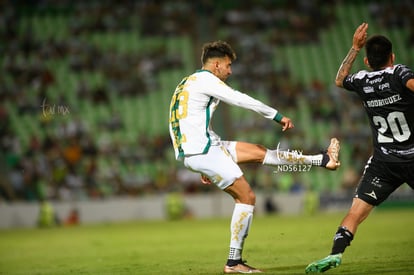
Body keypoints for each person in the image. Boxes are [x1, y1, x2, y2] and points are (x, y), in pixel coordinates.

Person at [168, 40, 340, 274]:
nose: (230, 71)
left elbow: (179, 122)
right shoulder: (208, 80)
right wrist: (276, 116)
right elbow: (240, 99)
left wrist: (199, 164)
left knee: (260, 152)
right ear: (216, 65)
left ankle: (322, 160)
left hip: (202, 147)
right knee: (246, 197)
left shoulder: (186, 82)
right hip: (202, 150)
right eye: (228, 66)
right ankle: (233, 262)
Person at [305, 22, 414, 273]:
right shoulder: (399, 73)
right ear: (393, 57)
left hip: (384, 162)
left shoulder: (363, 80)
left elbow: (339, 79)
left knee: (356, 212)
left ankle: (335, 253)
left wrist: (354, 47)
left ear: (367, 61)